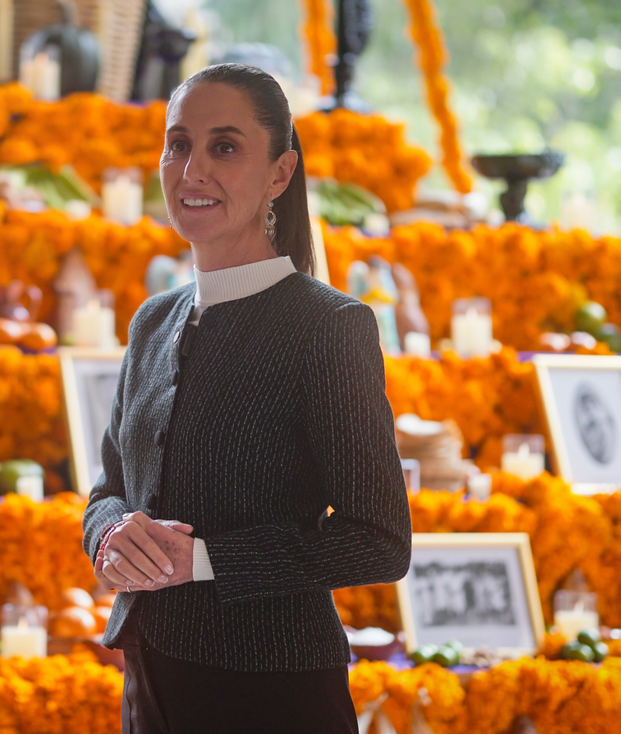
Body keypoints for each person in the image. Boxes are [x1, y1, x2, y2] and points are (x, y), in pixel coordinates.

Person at [82, 63, 412, 733]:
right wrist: (112, 533)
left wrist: (200, 560)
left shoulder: (328, 327)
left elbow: (379, 540)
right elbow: (106, 490)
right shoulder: (152, 320)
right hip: (148, 681)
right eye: (178, 144)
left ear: (280, 173)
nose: (191, 168)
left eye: (223, 147)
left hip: (270, 694)